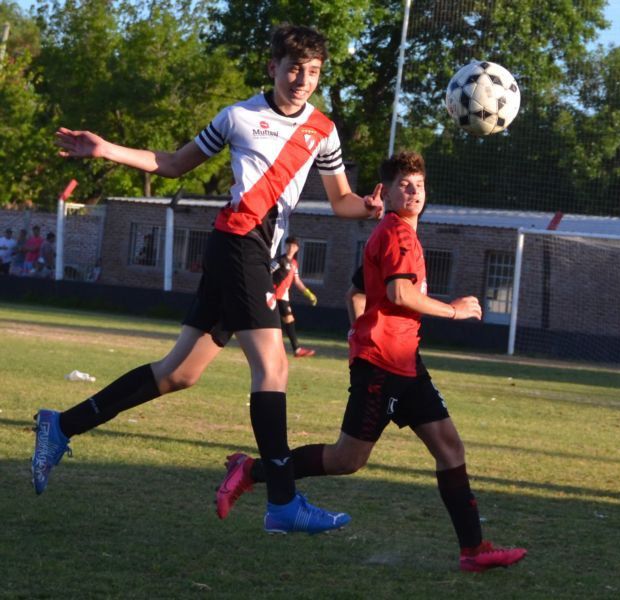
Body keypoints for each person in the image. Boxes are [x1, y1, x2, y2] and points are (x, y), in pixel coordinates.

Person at [32, 24, 383, 535]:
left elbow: (340, 200)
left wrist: (367, 209)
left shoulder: (323, 129)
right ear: (273, 68)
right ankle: (282, 503)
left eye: (313, 72)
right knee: (273, 368)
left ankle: (60, 425)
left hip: (252, 252)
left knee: (179, 373)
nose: (302, 80)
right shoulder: (238, 117)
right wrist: (106, 148)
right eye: (293, 69)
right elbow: (174, 163)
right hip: (238, 243)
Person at [215, 151, 527, 572]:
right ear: (388, 192)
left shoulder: (392, 232)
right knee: (348, 459)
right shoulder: (397, 235)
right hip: (383, 366)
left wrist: (361, 329)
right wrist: (453, 310)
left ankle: (474, 550)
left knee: (450, 447)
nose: (413, 191)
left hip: (405, 362)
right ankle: (252, 470)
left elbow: (356, 293)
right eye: (404, 185)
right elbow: (400, 294)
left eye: (418, 184)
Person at [272, 236, 318, 358]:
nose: (290, 248)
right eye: (288, 245)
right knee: (287, 320)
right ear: (285, 246)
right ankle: (296, 350)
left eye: (293, 246)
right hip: (275, 295)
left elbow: (297, 281)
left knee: (285, 321)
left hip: (283, 297)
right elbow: (267, 272)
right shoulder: (279, 260)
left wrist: (308, 294)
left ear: (297, 248)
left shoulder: (294, 264)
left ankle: (294, 350)